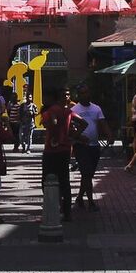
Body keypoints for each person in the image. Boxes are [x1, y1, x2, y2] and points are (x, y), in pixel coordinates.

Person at [41, 89, 85, 221]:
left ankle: (52, 209)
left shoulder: (51, 110)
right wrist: (72, 136)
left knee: (47, 181)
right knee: (65, 181)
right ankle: (67, 212)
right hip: (65, 150)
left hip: (51, 150)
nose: (43, 99)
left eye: (45, 96)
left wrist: (53, 134)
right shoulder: (67, 111)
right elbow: (83, 123)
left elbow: (53, 122)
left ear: (51, 97)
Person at [71, 83, 112, 211]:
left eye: (87, 92)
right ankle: (90, 202)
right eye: (82, 93)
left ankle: (79, 198)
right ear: (78, 95)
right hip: (81, 146)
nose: (86, 95)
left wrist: (109, 135)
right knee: (86, 173)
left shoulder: (96, 109)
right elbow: (71, 128)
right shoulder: (74, 110)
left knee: (88, 175)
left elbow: (103, 123)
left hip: (94, 146)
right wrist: (78, 138)